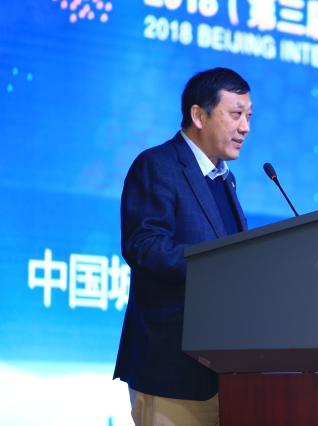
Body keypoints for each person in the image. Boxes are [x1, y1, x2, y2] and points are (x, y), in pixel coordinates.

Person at [113, 67, 252, 425]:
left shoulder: (225, 180)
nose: (245, 128)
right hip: (169, 371)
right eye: (236, 114)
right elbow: (145, 246)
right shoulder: (157, 165)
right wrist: (220, 268)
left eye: (249, 117)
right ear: (198, 116)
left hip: (225, 374)